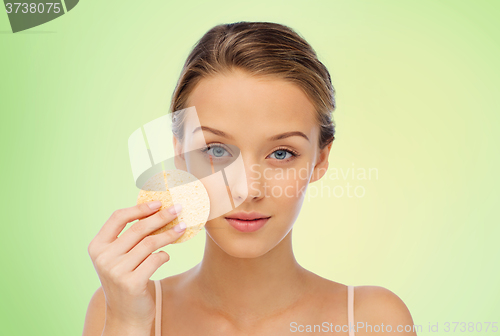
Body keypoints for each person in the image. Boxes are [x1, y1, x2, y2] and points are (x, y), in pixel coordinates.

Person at [83, 21, 417, 336]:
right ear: (181, 156)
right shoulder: (120, 306)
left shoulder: (372, 321)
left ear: (321, 158)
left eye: (282, 153)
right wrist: (127, 322)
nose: (248, 190)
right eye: (216, 151)